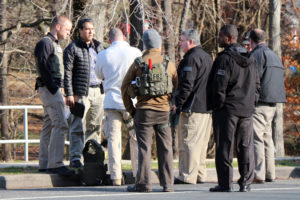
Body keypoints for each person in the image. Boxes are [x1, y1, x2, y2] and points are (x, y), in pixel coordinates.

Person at [121, 29, 178, 192]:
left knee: (144, 148)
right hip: (164, 113)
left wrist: (131, 110)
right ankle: (168, 184)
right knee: (166, 148)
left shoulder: (138, 63)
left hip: (144, 113)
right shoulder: (169, 64)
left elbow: (124, 87)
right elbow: (176, 86)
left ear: (144, 44)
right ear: (160, 44)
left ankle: (144, 184)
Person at [208, 24, 260, 192]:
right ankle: (245, 182)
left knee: (225, 145)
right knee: (245, 146)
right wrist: (251, 103)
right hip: (246, 108)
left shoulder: (224, 59)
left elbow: (219, 86)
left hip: (228, 109)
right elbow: (257, 86)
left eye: (221, 36)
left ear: (229, 38)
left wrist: (217, 105)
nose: (218, 39)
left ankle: (225, 183)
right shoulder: (251, 59)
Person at [95, 28, 141, 186]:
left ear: (110, 40)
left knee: (114, 140)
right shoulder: (135, 52)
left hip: (111, 101)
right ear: (124, 38)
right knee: (135, 138)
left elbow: (98, 75)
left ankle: (116, 176)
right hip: (131, 102)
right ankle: (138, 173)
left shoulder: (103, 55)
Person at [34, 16, 74, 175]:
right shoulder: (45, 43)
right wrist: (55, 89)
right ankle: (56, 163)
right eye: (67, 29)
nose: (68, 33)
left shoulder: (55, 44)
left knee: (49, 125)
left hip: (53, 88)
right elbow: (43, 68)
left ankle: (44, 163)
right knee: (61, 124)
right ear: (57, 27)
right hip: (50, 89)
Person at [173, 29, 213, 184]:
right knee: (201, 144)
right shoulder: (207, 57)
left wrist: (178, 103)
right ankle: (200, 174)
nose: (180, 44)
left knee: (188, 142)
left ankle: (187, 175)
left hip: (192, 108)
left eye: (182, 40)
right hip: (206, 108)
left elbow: (187, 85)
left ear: (191, 42)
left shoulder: (191, 59)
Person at [64, 18, 104, 168]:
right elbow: (67, 73)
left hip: (98, 91)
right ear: (80, 30)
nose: (90, 32)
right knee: (77, 126)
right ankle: (75, 157)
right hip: (81, 93)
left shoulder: (99, 47)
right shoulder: (72, 48)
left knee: (95, 126)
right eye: (87, 29)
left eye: (92, 29)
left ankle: (92, 157)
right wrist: (69, 93)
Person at [249, 29, 286, 183]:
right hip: (273, 103)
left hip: (259, 103)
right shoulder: (275, 56)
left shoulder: (256, 55)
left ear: (251, 41)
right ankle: (270, 173)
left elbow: (253, 79)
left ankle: (258, 173)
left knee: (257, 138)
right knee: (267, 139)